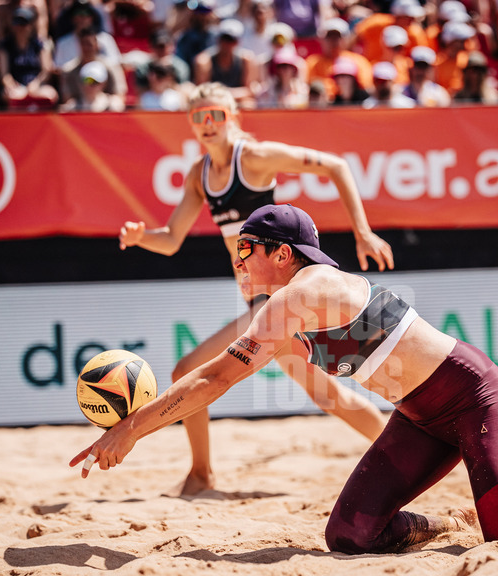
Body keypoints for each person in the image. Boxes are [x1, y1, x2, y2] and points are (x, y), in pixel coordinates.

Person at [73, 203, 498, 554]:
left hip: (478, 400)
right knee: (350, 536)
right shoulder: (290, 305)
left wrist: (130, 428)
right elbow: (221, 375)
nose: (239, 259)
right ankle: (447, 522)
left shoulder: (300, 295)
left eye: (247, 247)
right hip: (420, 420)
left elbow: (214, 380)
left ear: (282, 254)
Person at [116, 83, 393, 496]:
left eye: (215, 115)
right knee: (327, 396)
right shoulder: (199, 175)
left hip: (276, 297)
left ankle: (201, 475)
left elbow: (336, 165)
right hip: (261, 300)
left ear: (232, 118)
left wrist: (363, 231)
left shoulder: (254, 158)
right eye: (198, 117)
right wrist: (142, 238)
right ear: (191, 123)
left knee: (185, 371)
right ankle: (404, 453)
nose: (207, 124)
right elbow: (171, 239)